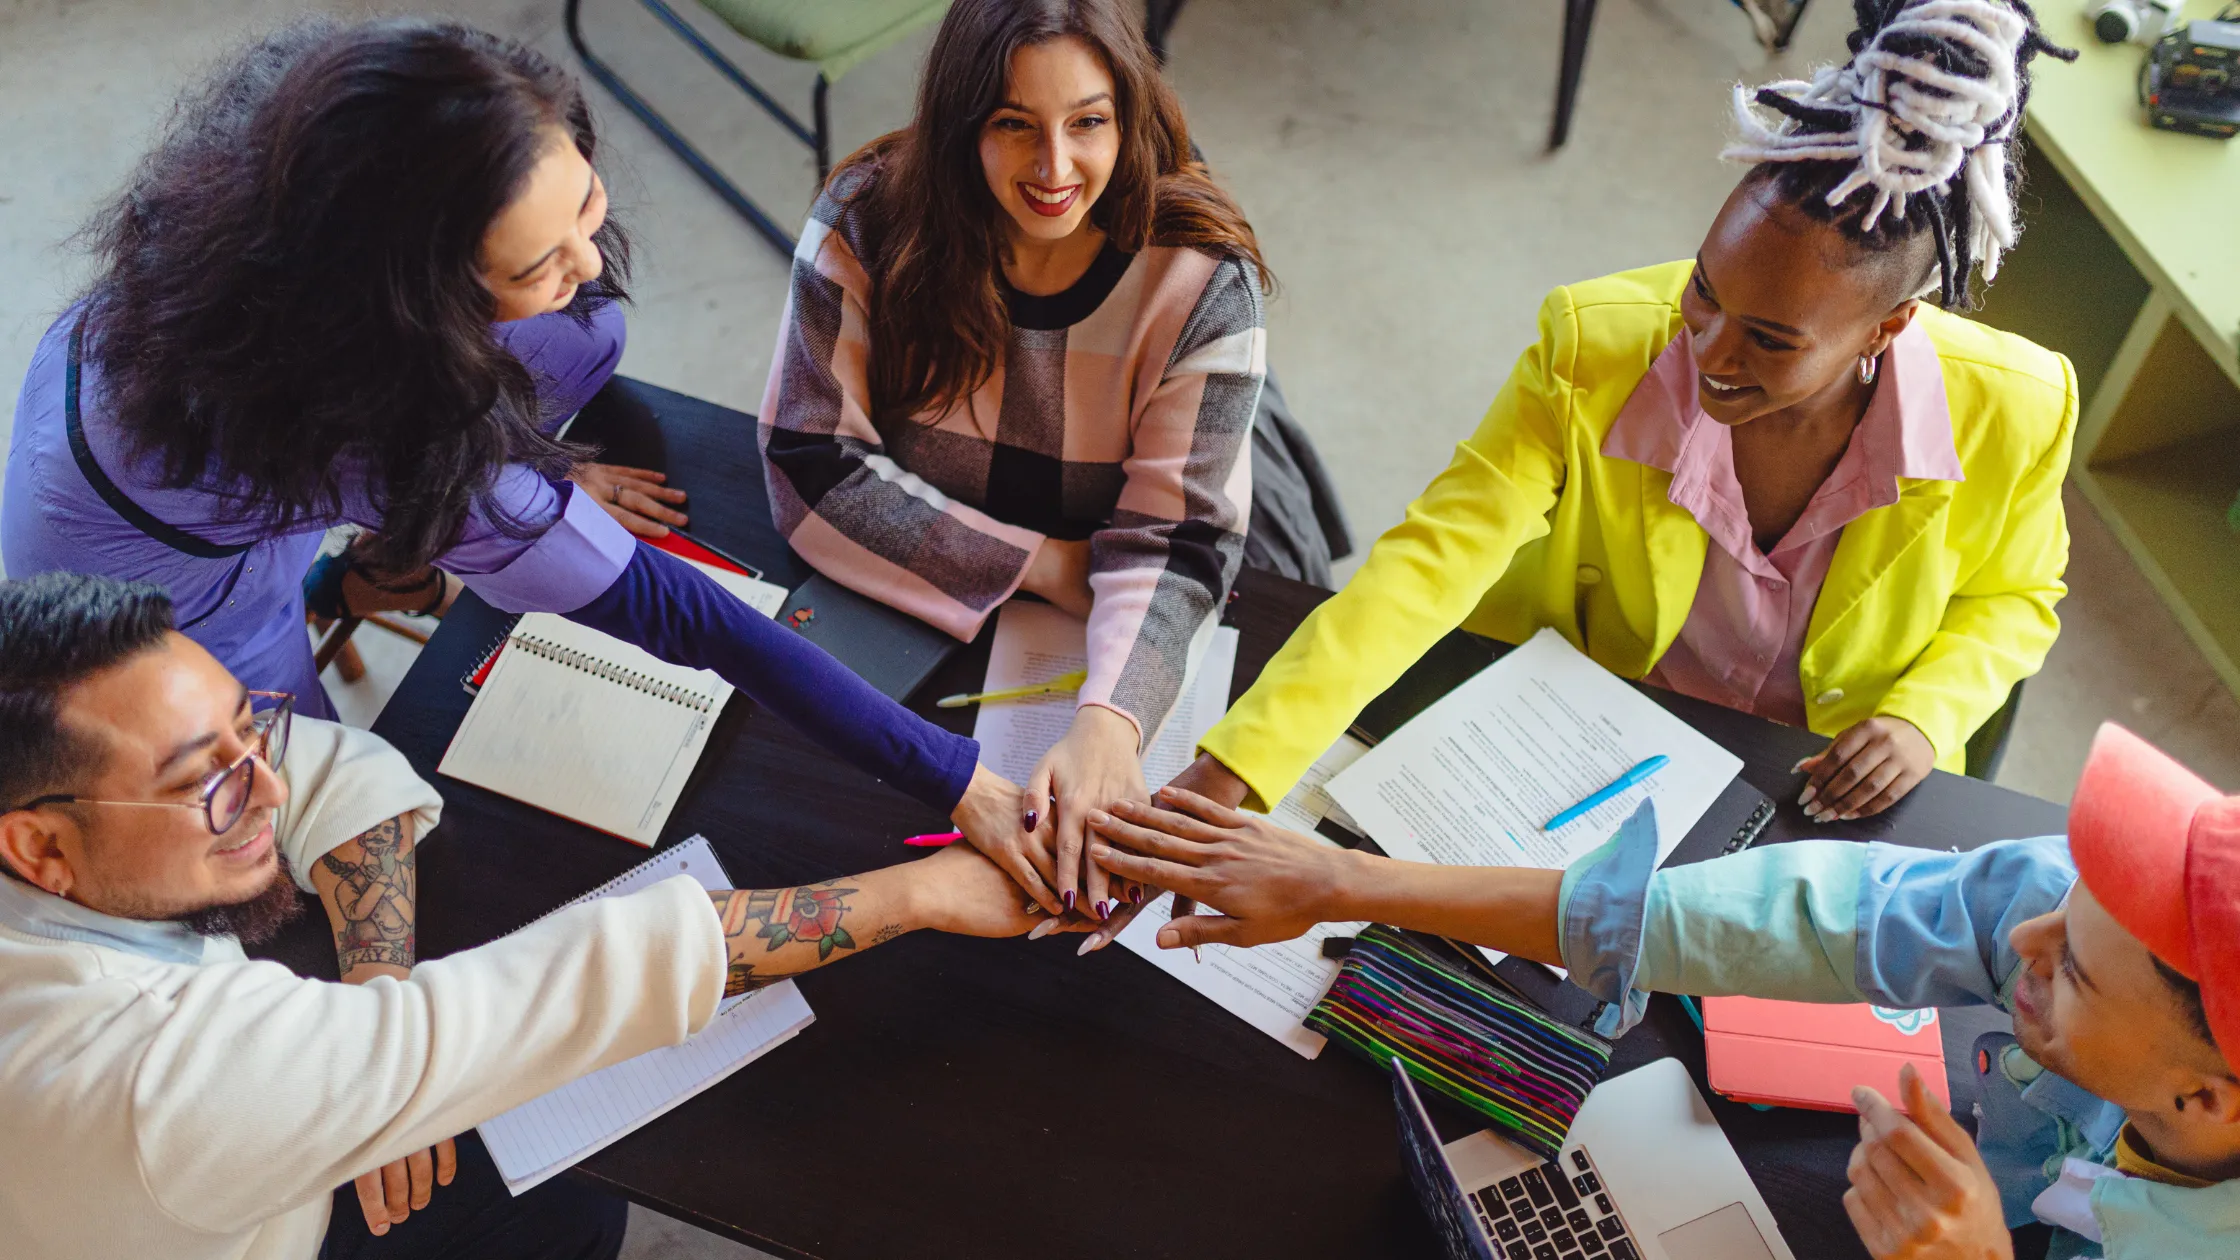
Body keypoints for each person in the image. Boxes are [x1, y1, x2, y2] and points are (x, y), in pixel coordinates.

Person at [0, 18, 1040, 887]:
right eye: (537, 259)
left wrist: (522, 475)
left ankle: (375, 565)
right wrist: (958, 778)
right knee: (308, 811)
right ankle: (346, 585)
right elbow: (681, 613)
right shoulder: (377, 425)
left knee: (586, 331)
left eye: (582, 202)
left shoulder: (302, 150)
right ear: (418, 309)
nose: (584, 258)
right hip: (167, 592)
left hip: (181, 415)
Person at [1170, 0, 2080, 831]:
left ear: (1888, 327)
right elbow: (1429, 564)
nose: (1710, 352)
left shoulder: (2019, 409)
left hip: (1817, 795)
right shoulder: (1591, 346)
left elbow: (2015, 597)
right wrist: (1238, 767)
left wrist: (1924, 718)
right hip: (1579, 744)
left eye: (1769, 340)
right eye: (1705, 290)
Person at [0, 572, 1085, 1260]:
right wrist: (922, 892)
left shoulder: (53, 821)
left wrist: (378, 988)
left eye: (252, 727)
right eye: (209, 783)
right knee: (570, 1209)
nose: (267, 787)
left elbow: (333, 764)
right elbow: (569, 984)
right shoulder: (144, 1081)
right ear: (38, 846)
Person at [1086, 722, 2240, 1258]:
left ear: (2202, 1101)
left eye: (2064, 967)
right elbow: (1792, 917)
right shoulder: (2089, 922)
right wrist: (1343, 882)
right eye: (2060, 901)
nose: (2017, 935)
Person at [758, 0, 1345, 922]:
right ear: (960, 121)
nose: (1055, 169)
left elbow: (1181, 542)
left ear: (1129, 115)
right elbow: (808, 465)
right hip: (1010, 582)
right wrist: (1045, 564)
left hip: (1143, 540)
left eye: (1088, 123)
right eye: (1013, 124)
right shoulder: (867, 220)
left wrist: (1110, 723)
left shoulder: (1203, 278)